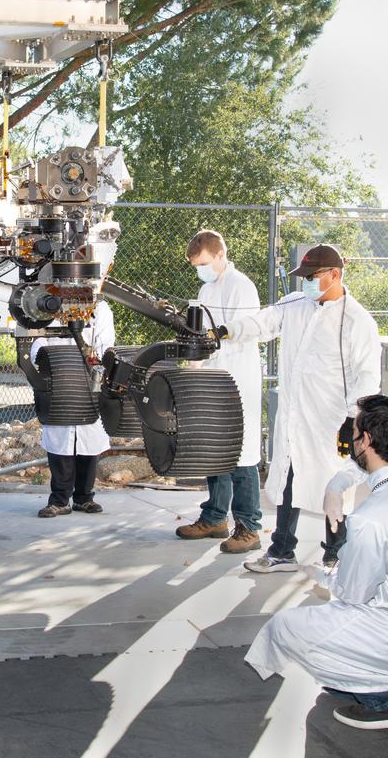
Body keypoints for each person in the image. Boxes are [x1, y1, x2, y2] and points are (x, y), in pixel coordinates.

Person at [245, 395, 388, 733]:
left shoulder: (372, 520)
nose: (350, 440)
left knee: (284, 630)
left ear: (366, 441)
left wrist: (324, 573)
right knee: (336, 664)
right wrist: (336, 485)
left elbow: (353, 595)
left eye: (354, 434)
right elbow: (372, 465)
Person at [214, 243, 381, 572]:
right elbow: (262, 323)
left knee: (334, 487)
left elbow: (368, 376)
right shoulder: (296, 304)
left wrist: (354, 418)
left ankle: (336, 556)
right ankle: (281, 551)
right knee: (289, 479)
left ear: (335, 275)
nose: (305, 283)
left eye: (312, 277)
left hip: (331, 421)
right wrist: (226, 331)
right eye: (303, 277)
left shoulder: (357, 321)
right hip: (295, 419)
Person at [174, 230, 263, 553]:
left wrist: (207, 355)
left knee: (241, 454)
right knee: (216, 451)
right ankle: (214, 517)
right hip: (214, 379)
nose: (202, 269)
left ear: (220, 254)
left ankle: (249, 526)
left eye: (205, 263)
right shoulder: (206, 287)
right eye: (197, 265)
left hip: (237, 380)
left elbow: (240, 335)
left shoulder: (242, 287)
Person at [30, 300, 115, 518]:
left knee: (89, 446)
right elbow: (37, 343)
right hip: (58, 381)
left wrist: (96, 364)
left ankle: (84, 498)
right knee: (60, 446)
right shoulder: (46, 303)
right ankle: (59, 501)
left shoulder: (100, 308)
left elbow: (105, 344)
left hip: (89, 383)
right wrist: (53, 361)